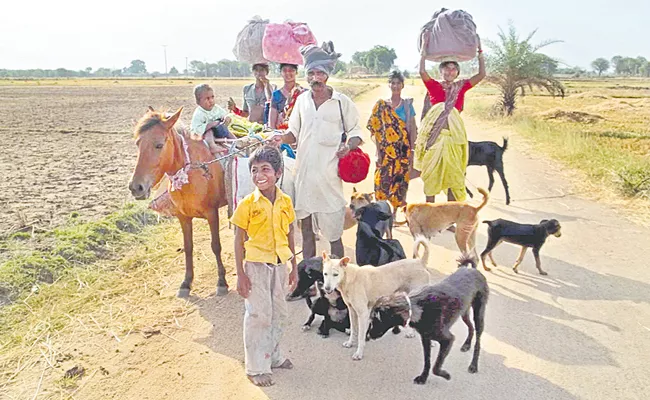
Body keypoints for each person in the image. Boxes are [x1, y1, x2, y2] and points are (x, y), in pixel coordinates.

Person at [273, 42, 363, 259]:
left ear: (327, 75)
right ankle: (309, 279)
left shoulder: (342, 102)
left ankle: (339, 281)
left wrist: (348, 146)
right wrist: (280, 138)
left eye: (320, 73)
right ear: (307, 76)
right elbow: (293, 132)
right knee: (306, 232)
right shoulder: (302, 100)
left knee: (334, 236)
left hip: (329, 179)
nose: (315, 78)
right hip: (304, 178)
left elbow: (357, 132)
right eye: (311, 73)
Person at [230, 145, 298, 387]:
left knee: (279, 314)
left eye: (266, 169)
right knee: (259, 315)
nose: (260, 175)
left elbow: (290, 232)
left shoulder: (286, 202)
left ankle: (274, 356)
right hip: (256, 267)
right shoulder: (247, 204)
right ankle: (256, 367)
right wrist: (240, 274)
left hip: (280, 265)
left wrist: (294, 266)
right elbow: (238, 240)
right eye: (255, 170)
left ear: (278, 172)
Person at [415, 32, 486, 203]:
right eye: (446, 68)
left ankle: (450, 218)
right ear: (440, 71)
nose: (450, 71)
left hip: (454, 139)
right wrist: (424, 47)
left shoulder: (461, 87)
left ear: (457, 72)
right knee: (431, 177)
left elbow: (481, 75)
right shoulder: (433, 86)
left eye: (454, 68)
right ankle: (429, 219)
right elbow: (421, 71)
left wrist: (480, 51)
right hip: (435, 139)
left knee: (454, 178)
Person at [366, 70, 418, 213]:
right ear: (389, 85)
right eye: (392, 83)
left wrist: (412, 151)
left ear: (402, 85)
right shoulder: (381, 106)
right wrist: (379, 152)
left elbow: (412, 129)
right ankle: (382, 213)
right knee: (382, 182)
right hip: (385, 152)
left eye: (398, 83)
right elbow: (376, 131)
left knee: (400, 184)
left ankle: (394, 215)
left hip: (403, 152)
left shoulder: (407, 105)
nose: (395, 86)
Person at [190, 84, 235, 155]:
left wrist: (226, 118)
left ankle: (236, 141)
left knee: (228, 132)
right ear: (198, 102)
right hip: (205, 134)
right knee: (209, 132)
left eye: (212, 97)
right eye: (207, 98)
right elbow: (196, 129)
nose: (211, 101)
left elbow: (224, 114)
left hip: (218, 130)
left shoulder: (216, 108)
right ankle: (212, 146)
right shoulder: (199, 113)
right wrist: (210, 125)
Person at [268, 63, 307, 130]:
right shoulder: (276, 95)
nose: (288, 73)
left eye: (291, 70)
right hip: (281, 133)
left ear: (296, 72)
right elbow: (272, 122)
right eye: (284, 70)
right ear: (281, 73)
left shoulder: (304, 93)